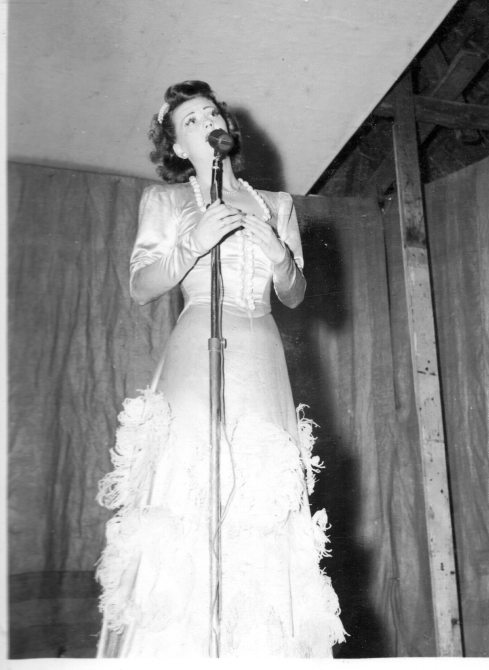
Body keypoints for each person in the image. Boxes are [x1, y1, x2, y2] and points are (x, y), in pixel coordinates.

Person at [95, 80, 346, 658]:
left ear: (226, 128)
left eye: (210, 111)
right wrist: (190, 245)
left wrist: (283, 259)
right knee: (191, 483)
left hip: (260, 350)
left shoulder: (276, 205)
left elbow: (295, 295)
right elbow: (139, 286)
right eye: (189, 120)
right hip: (196, 344)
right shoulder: (165, 202)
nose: (205, 120)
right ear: (179, 147)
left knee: (256, 493)